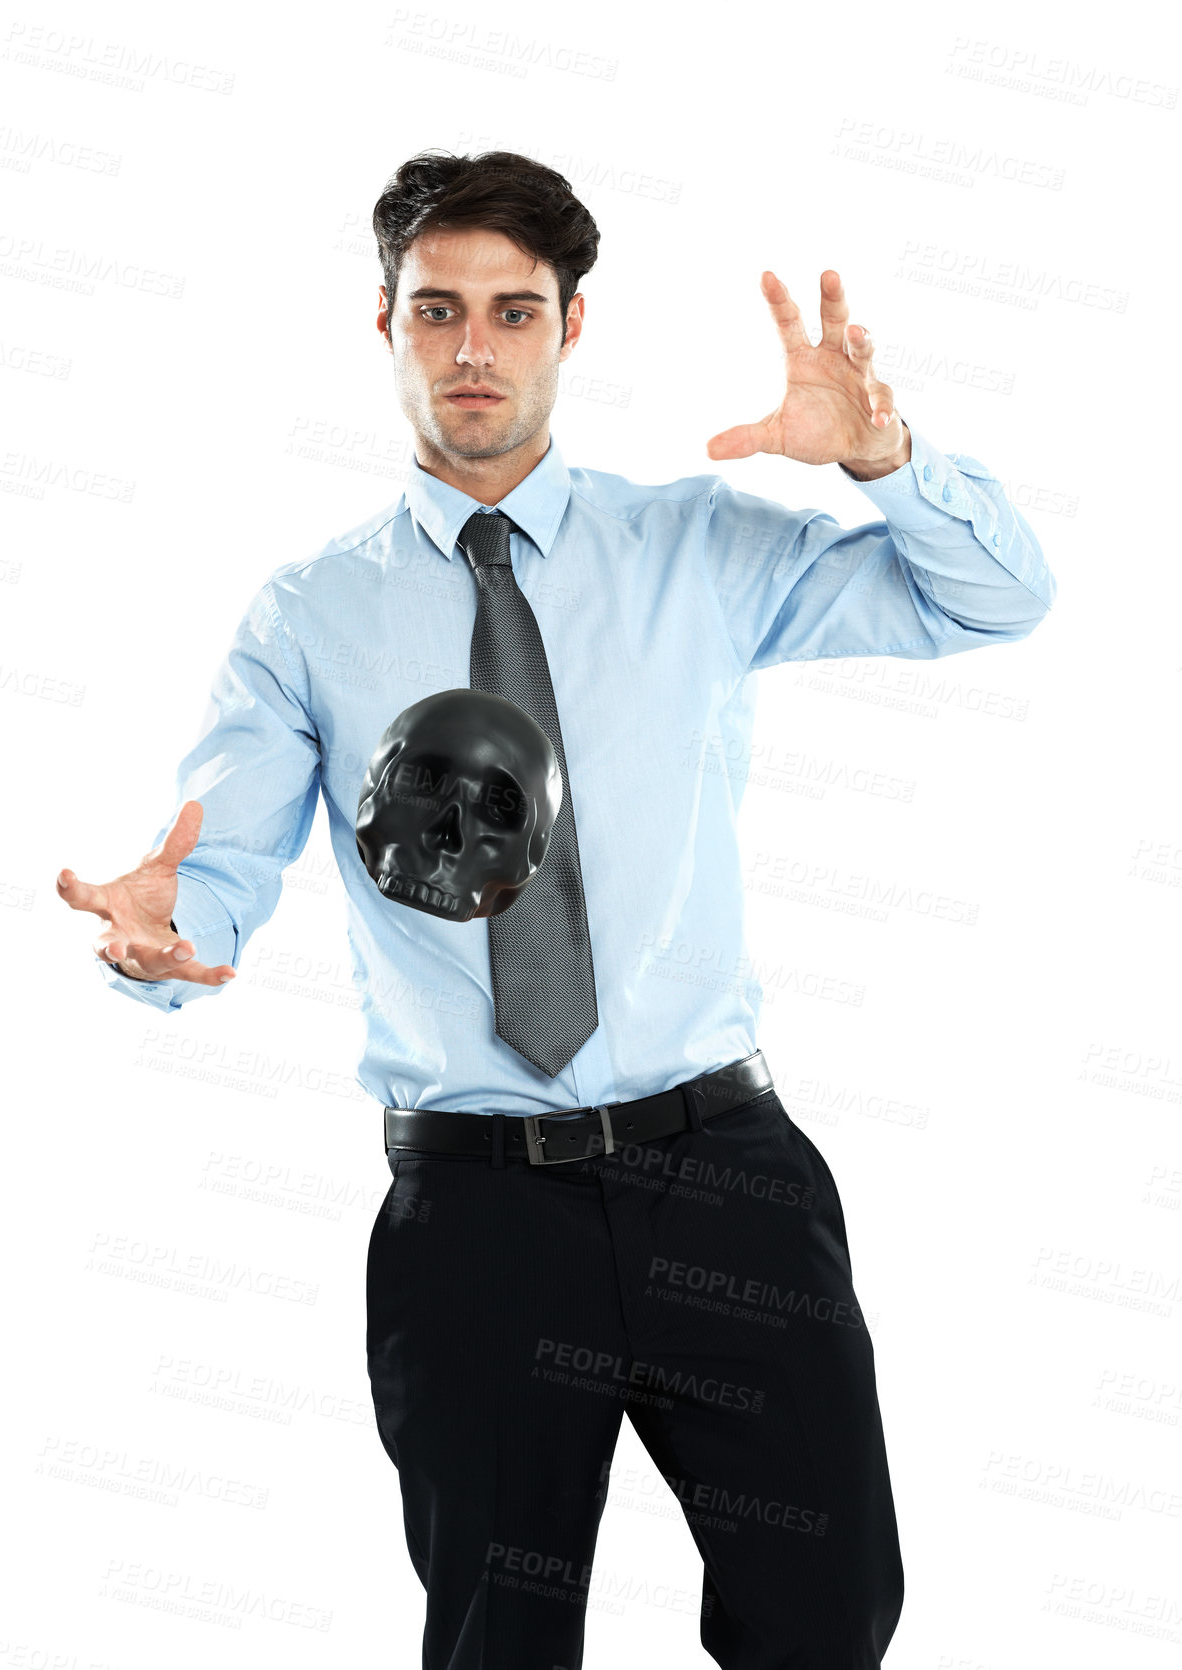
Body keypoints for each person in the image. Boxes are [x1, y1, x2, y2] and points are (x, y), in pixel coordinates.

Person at [56, 149, 1056, 1669]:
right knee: (496, 1638)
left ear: (571, 328)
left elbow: (990, 598)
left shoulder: (700, 549)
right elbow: (222, 861)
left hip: (722, 1171)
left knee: (832, 1613)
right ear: (381, 322)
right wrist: (169, 926)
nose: (473, 348)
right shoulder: (309, 614)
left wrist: (887, 459)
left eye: (514, 312)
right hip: (476, 1214)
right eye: (438, 309)